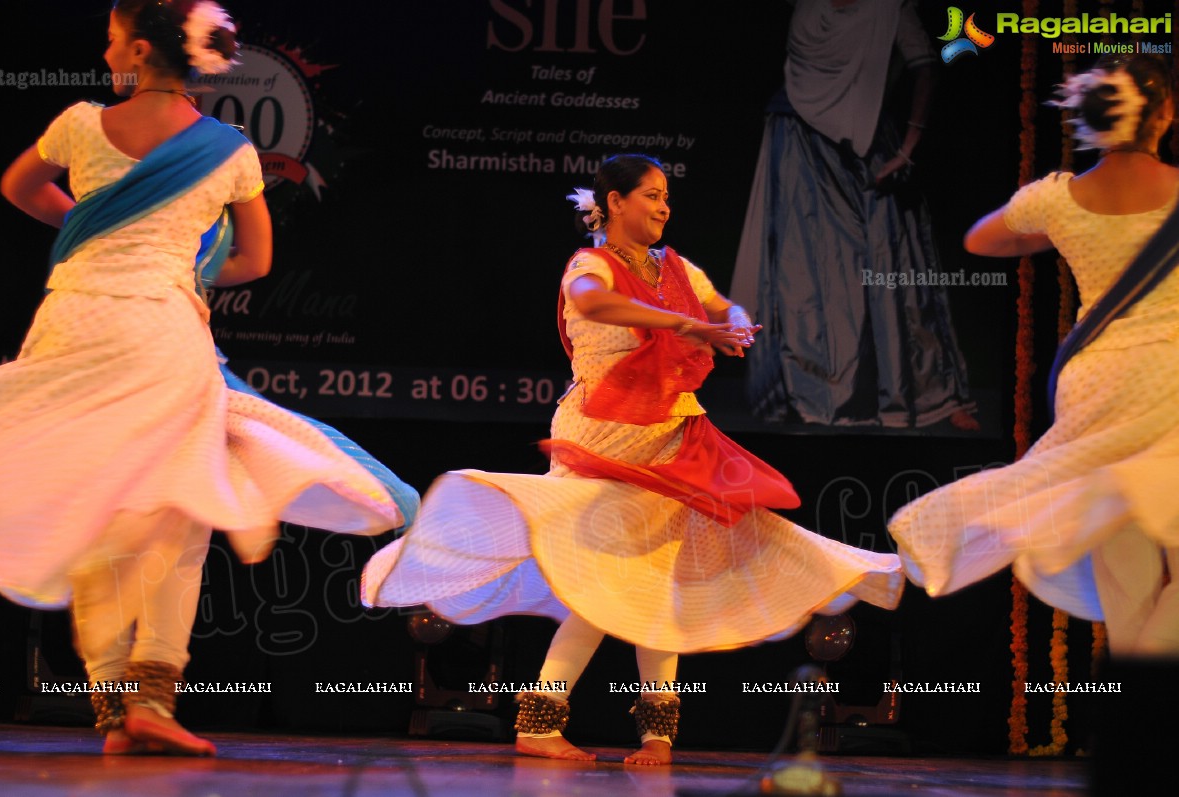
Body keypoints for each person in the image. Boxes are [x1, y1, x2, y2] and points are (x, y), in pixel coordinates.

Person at [363, 154, 904, 765]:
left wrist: (735, 322)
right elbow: (596, 306)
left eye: (667, 196)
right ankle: (564, 727)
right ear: (614, 202)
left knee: (651, 586)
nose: (664, 206)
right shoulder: (589, 266)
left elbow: (721, 304)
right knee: (613, 586)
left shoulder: (674, 267)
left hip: (670, 437)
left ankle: (639, 734)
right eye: (650, 194)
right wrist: (688, 326)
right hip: (602, 443)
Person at [0, 0, 412, 756]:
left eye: (111, 38)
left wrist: (92, 226)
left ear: (141, 51)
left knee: (95, 503)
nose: (105, 49)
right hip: (161, 328)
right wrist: (182, 259)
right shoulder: (231, 150)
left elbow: (19, 188)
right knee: (179, 509)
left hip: (75, 321)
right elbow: (255, 262)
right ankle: (153, 695)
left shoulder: (79, 123)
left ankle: (113, 709)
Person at [889, 54, 1179, 658]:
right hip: (1171, 373)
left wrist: (1065, 229)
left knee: (1122, 554)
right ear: (1166, 114)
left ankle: (1141, 719)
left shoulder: (1061, 199)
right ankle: (1159, 680)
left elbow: (982, 239)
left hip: (1097, 377)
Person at [731, 0, 977, 430]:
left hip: (863, 148)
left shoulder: (888, 7)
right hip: (799, 141)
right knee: (803, 274)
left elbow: (925, 67)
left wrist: (908, 147)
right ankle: (813, 393)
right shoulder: (809, 6)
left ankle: (914, 394)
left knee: (886, 271)